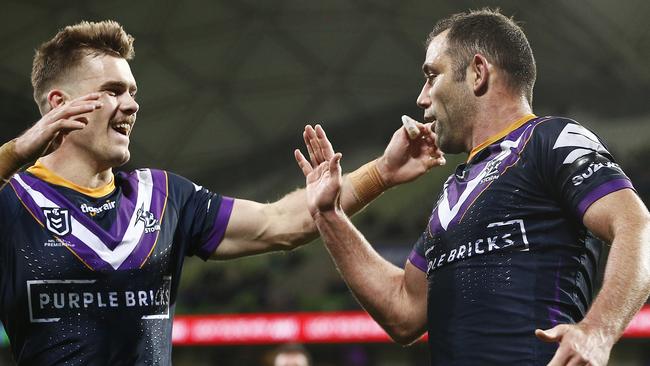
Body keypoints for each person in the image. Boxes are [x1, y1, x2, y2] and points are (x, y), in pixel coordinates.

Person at [0, 21, 444, 365]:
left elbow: (282, 223)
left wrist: (382, 172)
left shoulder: (163, 196)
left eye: (133, 92)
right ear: (59, 106)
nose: (132, 105)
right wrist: (18, 149)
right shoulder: (13, 202)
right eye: (113, 91)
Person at [301, 8, 650, 366]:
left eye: (432, 76)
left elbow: (637, 225)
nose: (422, 98)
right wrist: (328, 215)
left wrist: (599, 330)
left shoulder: (551, 139)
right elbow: (403, 311)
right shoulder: (454, 192)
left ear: (478, 73)